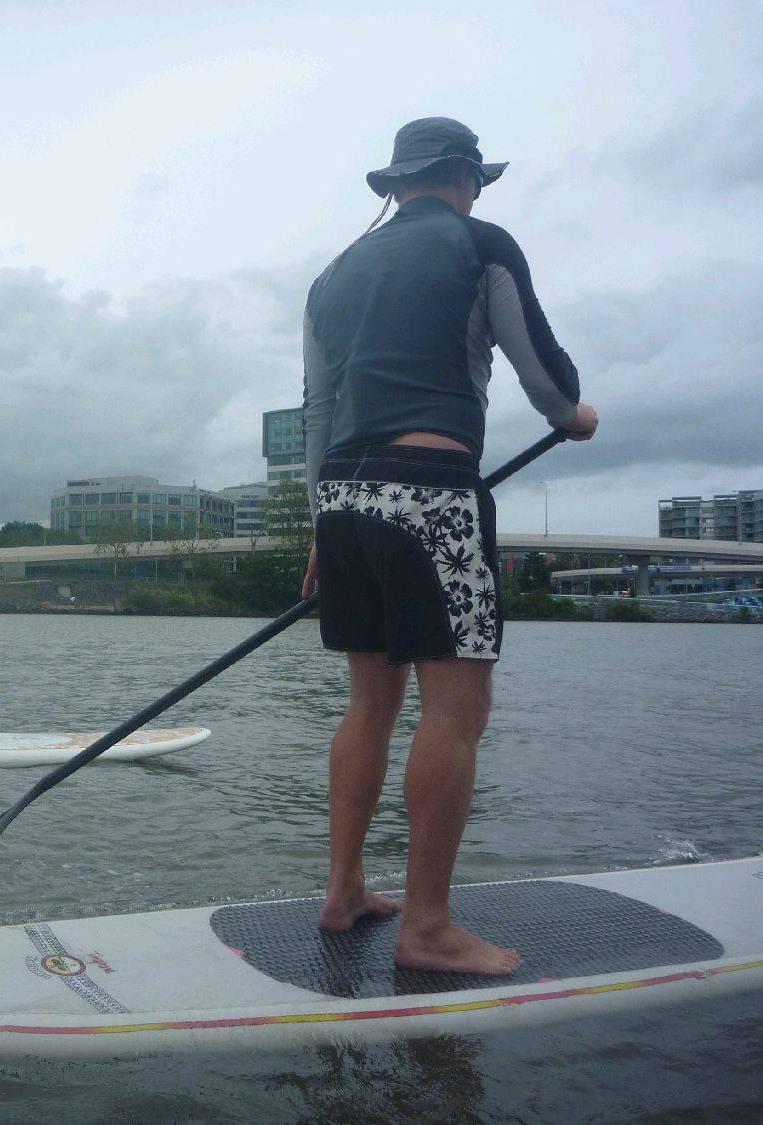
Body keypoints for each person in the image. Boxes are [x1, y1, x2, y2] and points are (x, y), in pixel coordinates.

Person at [300, 118, 599, 974]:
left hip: (346, 499)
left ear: (396, 184)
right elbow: (547, 379)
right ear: (465, 175)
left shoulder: (331, 276)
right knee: (456, 709)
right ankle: (427, 925)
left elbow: (320, 408)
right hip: (433, 495)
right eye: (479, 180)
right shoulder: (481, 243)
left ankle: (344, 888)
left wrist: (324, 519)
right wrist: (573, 417)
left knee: (369, 702)